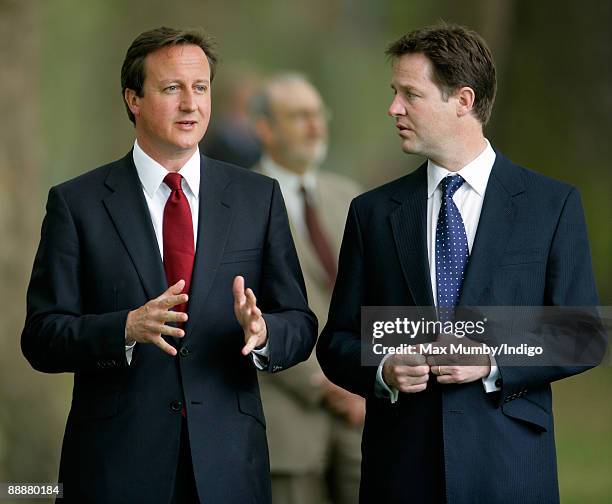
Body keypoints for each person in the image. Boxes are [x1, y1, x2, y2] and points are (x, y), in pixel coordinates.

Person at [21, 27, 317, 504]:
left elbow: (300, 323)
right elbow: (41, 337)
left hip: (229, 471)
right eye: (171, 88)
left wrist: (264, 333)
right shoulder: (77, 204)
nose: (190, 104)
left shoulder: (257, 197)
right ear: (133, 99)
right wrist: (124, 328)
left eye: (200, 88)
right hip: (114, 471)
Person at [316, 24, 602, 504]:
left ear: (463, 100)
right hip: (400, 468)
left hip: (509, 466)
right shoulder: (372, 212)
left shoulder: (551, 204)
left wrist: (492, 358)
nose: (394, 108)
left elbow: (582, 334)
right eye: (394, 93)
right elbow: (338, 341)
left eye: (411, 94)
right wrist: (383, 368)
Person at [251, 73, 364, 504]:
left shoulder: (349, 197)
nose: (315, 126)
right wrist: (323, 383)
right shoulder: (237, 199)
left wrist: (367, 377)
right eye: (300, 116)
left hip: (363, 417)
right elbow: (240, 307)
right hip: (288, 425)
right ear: (265, 128)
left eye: (319, 114)